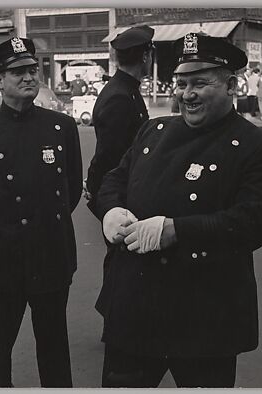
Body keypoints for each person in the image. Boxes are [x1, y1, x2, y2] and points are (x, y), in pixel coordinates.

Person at [95, 32, 262, 388]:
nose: (188, 94)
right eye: (181, 83)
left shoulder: (259, 148)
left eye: (200, 83)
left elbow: (252, 223)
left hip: (204, 316)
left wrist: (177, 230)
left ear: (231, 85)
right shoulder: (153, 131)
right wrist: (111, 211)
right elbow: (114, 180)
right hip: (136, 308)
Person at [0, 37, 82, 387]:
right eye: (17, 72)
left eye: (32, 69)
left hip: (51, 255)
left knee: (55, 349)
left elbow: (68, 190)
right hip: (0, 262)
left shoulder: (61, 127)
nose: (28, 77)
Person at [85, 26, 154, 335]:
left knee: (120, 258)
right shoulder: (120, 96)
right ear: (146, 57)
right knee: (119, 259)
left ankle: (116, 318)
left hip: (119, 188)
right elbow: (111, 156)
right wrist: (103, 196)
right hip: (117, 192)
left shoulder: (125, 89)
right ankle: (114, 320)